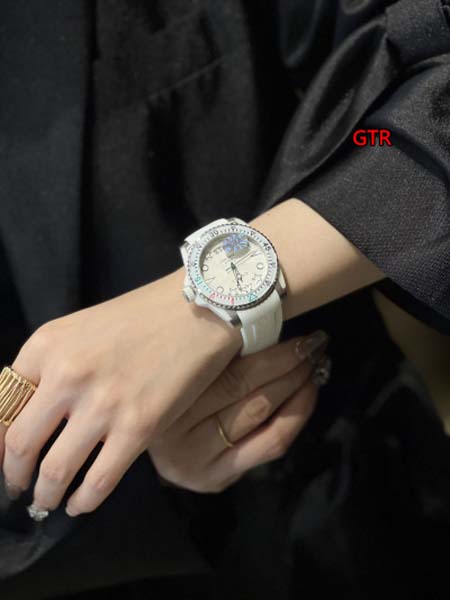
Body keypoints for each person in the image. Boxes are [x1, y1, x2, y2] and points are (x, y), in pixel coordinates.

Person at [1, 1, 450, 599]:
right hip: (82, 560)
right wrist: (140, 472)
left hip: (362, 501)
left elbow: (430, 59)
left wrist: (196, 314)